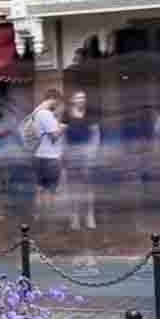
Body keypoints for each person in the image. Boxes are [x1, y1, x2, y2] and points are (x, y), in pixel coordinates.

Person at [64, 91, 101, 231]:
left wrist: (92, 153)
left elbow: (96, 136)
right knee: (73, 188)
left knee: (88, 188)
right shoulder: (66, 116)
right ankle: (74, 218)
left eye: (84, 97)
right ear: (72, 100)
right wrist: (64, 153)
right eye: (78, 97)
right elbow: (62, 137)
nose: (82, 100)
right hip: (72, 155)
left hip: (87, 155)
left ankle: (90, 217)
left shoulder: (90, 115)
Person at [32, 90, 66, 228]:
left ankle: (38, 218)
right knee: (50, 191)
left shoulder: (37, 114)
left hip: (39, 156)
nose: (59, 105)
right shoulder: (45, 114)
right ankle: (48, 221)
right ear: (53, 100)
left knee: (39, 189)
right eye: (58, 102)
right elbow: (54, 135)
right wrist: (64, 127)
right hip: (50, 158)